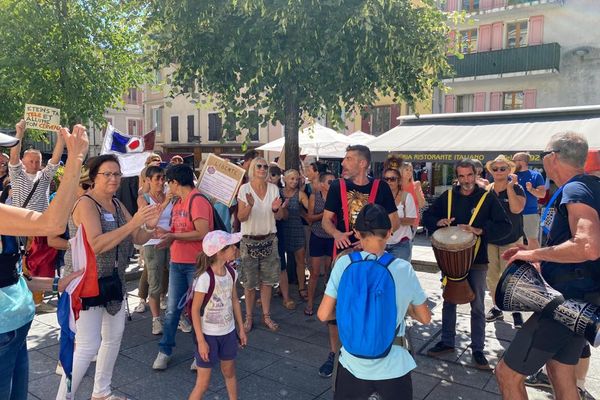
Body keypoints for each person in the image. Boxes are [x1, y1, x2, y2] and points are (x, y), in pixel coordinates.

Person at [496, 132, 600, 400]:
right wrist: (535, 252)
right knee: (560, 371)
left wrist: (532, 256)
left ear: (553, 157)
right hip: (583, 299)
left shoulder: (577, 189)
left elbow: (587, 247)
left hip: (566, 302)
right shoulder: (589, 186)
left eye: (543, 156)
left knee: (507, 374)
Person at [56, 154, 160, 400]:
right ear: (94, 177)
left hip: (113, 281)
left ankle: (101, 392)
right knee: (87, 347)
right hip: (86, 283)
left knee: (113, 338)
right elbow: (96, 245)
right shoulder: (86, 203)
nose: (114, 179)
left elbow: (137, 239)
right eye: (108, 174)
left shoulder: (116, 204)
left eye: (117, 174)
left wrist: (150, 227)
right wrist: (133, 223)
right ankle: (63, 397)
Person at [0, 125, 88, 400]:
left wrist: (56, 283)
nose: (2, 163)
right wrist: (75, 160)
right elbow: (51, 224)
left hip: (15, 329)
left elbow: (10, 277)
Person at [317, 204, 431, 400]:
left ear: (356, 233)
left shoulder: (344, 263)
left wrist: (351, 311)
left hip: (352, 366)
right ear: (389, 233)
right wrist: (404, 308)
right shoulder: (403, 269)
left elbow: (323, 314)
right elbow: (425, 318)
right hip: (393, 368)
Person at [319, 144, 399, 378]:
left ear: (363, 163)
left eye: (349, 159)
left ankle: (368, 350)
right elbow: (326, 221)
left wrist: (369, 238)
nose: (343, 163)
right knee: (334, 307)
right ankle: (334, 353)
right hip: (343, 255)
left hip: (373, 256)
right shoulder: (337, 187)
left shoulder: (381, 187)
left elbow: (394, 222)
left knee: (371, 304)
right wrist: (337, 234)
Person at [423, 159, 511, 370]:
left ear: (476, 174)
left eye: (469, 175)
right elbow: (427, 215)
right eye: (461, 176)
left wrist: (480, 230)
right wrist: (438, 222)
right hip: (450, 262)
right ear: (457, 177)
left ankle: (478, 349)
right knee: (449, 301)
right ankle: (447, 341)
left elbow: (505, 226)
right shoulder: (448, 196)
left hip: (477, 260)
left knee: (478, 306)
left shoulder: (487, 199)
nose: (466, 180)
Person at [153, 164, 214, 370]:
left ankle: (201, 352)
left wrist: (173, 236)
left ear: (175, 182)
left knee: (197, 310)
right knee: (172, 311)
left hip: (195, 264)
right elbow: (176, 230)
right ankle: (164, 350)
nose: (166, 187)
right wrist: (166, 235)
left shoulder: (197, 200)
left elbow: (202, 232)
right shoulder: (178, 202)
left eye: (168, 182)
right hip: (177, 262)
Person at [10, 119, 65, 311]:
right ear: (24, 162)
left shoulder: (45, 176)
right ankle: (23, 297)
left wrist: (60, 139)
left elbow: (55, 160)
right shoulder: (17, 175)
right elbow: (14, 156)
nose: (34, 163)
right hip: (20, 226)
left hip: (40, 227)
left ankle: (37, 300)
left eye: (37, 161)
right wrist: (19, 133)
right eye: (31, 160)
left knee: (41, 262)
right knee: (20, 261)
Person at [188, 231, 247, 400]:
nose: (235, 248)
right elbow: (195, 310)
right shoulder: (205, 278)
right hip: (208, 335)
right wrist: (201, 341)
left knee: (229, 372)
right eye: (231, 246)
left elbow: (235, 299)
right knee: (203, 383)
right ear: (220, 252)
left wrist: (241, 329)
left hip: (228, 332)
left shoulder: (231, 272)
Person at [236, 158, 287, 333]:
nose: (263, 169)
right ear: (252, 168)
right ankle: (248, 318)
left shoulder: (274, 189)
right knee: (249, 283)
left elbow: (280, 217)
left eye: (266, 166)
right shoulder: (245, 189)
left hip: (269, 239)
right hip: (249, 240)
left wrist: (276, 209)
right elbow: (241, 217)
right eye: (259, 166)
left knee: (267, 282)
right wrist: (249, 206)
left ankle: (266, 316)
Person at [483, 155, 526, 328]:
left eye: (503, 168)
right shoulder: (487, 190)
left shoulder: (517, 188)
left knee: (512, 278)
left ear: (509, 170)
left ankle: (516, 311)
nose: (499, 172)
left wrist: (509, 187)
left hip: (511, 240)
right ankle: (497, 307)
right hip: (491, 241)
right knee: (492, 277)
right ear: (491, 171)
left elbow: (516, 209)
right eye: (495, 169)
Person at [136, 166, 173, 335]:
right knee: (155, 283)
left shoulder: (170, 196)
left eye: (163, 178)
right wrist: (165, 202)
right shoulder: (143, 199)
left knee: (174, 280)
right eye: (157, 178)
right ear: (148, 180)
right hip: (152, 243)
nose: (161, 181)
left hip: (171, 241)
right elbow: (151, 222)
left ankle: (176, 316)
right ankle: (156, 319)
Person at [304, 171, 336, 316]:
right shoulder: (314, 196)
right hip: (317, 235)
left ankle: (328, 301)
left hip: (332, 237)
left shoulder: (337, 197)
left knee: (329, 271)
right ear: (322, 184)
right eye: (330, 182)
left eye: (334, 181)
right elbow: (309, 218)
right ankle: (310, 302)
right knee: (315, 273)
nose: (333, 184)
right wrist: (325, 214)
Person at [267, 165, 295, 310]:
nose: (269, 178)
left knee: (281, 266)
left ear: (278, 177)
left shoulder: (280, 193)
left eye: (272, 175)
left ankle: (286, 297)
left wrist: (280, 209)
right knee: (264, 267)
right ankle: (266, 296)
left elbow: (285, 216)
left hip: (277, 233)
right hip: (263, 234)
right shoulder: (257, 191)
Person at [280, 169, 310, 301]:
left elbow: (310, 208)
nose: (294, 181)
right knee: (280, 262)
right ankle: (281, 286)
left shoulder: (301, 194)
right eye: (291, 178)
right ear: (285, 179)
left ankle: (302, 287)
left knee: (300, 261)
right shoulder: (278, 193)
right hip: (282, 229)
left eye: (296, 179)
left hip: (297, 229)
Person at [512, 152, 546, 249]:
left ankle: (537, 263)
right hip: (513, 213)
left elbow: (542, 194)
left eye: (515, 161)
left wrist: (531, 189)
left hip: (529, 213)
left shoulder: (536, 175)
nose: (513, 163)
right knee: (514, 241)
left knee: (532, 240)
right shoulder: (511, 175)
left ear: (523, 162)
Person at [383, 168, 417, 262]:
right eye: (386, 179)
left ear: (398, 181)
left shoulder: (406, 196)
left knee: (399, 273)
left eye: (392, 179)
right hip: (381, 243)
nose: (389, 181)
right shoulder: (380, 196)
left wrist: (394, 219)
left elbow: (411, 220)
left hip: (401, 243)